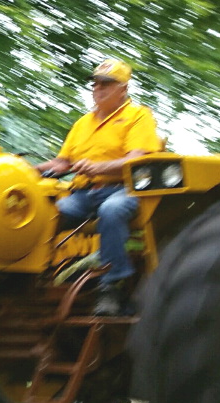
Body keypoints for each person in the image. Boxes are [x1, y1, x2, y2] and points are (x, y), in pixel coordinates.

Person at [36, 58, 162, 316]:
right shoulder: (83, 123)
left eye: (107, 84)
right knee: (47, 212)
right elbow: (62, 163)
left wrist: (99, 168)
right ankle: (38, 277)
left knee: (112, 210)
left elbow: (137, 159)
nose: (99, 89)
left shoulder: (138, 116)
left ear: (123, 89)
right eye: (96, 84)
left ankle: (112, 286)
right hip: (83, 193)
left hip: (123, 189)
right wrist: (24, 168)